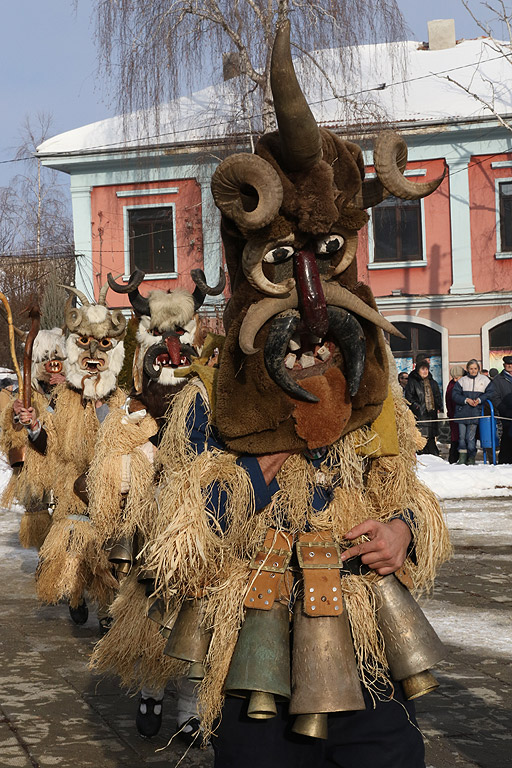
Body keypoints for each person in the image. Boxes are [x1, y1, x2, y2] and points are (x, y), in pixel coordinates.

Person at [143, 23, 451, 768]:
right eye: (285, 262)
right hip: (257, 657)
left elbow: (406, 495)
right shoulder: (207, 405)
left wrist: (403, 531)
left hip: (362, 641)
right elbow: (168, 555)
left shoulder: (375, 396)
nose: (312, 301)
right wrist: (250, 479)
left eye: (327, 258)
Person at [452, 359, 490, 465]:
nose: (473, 371)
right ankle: (462, 457)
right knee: (461, 437)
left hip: (475, 413)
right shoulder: (462, 381)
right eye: (471, 368)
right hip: (462, 413)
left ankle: (471, 457)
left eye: (475, 368)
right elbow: (455, 395)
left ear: (478, 369)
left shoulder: (484, 380)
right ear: (467, 369)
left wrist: (480, 400)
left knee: (471, 438)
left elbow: (491, 392)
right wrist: (466, 400)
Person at [404, 360, 443, 455]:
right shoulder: (412, 382)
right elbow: (409, 397)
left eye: (426, 369)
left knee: (430, 438)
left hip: (431, 415)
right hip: (419, 414)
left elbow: (437, 396)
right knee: (421, 439)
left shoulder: (433, 382)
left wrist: (439, 406)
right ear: (418, 370)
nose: (425, 371)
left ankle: (434, 458)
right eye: (422, 369)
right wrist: (417, 406)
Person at [486, 356, 512, 464]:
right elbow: (494, 397)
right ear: (504, 365)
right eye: (508, 364)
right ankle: (504, 461)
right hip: (506, 413)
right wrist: (503, 409)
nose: (510, 366)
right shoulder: (498, 380)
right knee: (507, 437)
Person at [445, 365, 464, 464]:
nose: (455, 380)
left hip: (465, 415)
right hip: (454, 415)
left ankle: (464, 458)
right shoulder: (451, 384)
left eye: (457, 377)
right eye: (454, 378)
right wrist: (450, 412)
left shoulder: (466, 382)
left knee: (464, 437)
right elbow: (448, 399)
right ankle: (453, 459)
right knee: (455, 437)